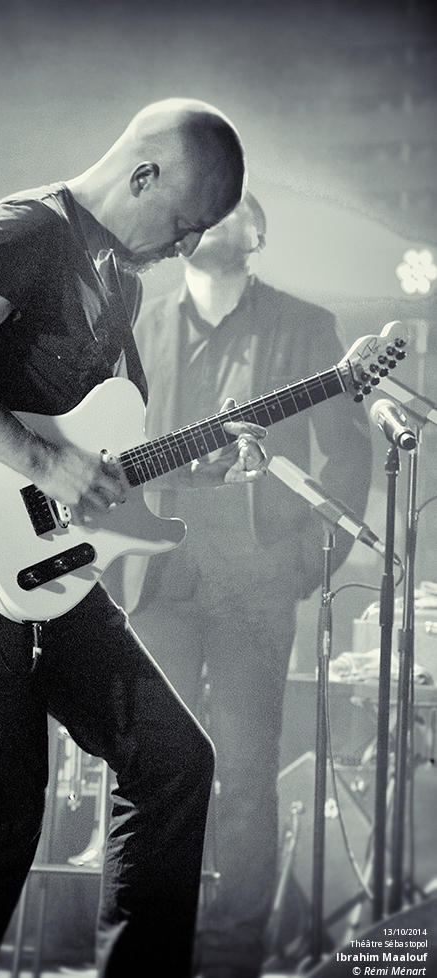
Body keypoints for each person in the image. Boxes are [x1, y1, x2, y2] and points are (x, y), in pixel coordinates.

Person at [0, 98, 270, 978]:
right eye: (181, 226)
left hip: (44, 558)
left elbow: (95, 449)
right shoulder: (30, 228)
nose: (181, 250)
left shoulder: (117, 278)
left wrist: (197, 466)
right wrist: (40, 465)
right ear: (142, 174)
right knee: (0, 812)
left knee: (172, 763)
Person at [106, 193, 373, 978]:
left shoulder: (305, 325)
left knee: (248, 777)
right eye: (203, 213)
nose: (215, 222)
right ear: (181, 236)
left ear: (260, 233)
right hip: (154, 579)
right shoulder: (139, 327)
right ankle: (143, 953)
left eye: (234, 212)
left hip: (258, 581)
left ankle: (230, 963)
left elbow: (347, 455)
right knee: (150, 775)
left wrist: (306, 563)